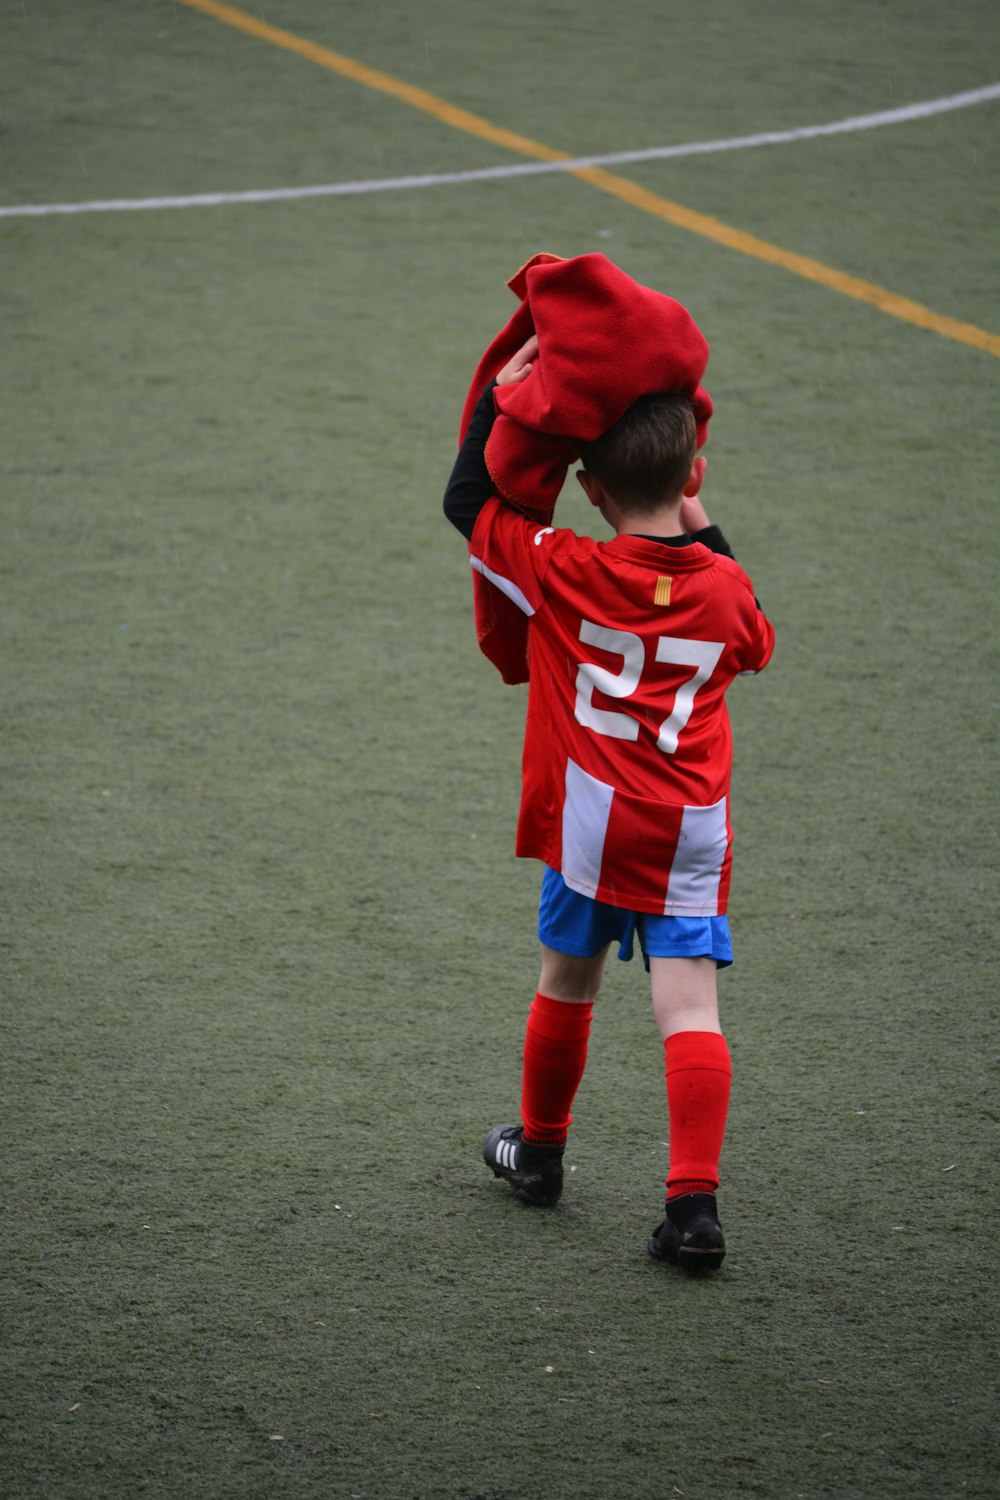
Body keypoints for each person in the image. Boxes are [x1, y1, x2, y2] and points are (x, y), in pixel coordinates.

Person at [443, 332, 774, 1271]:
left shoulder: (565, 568)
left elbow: (467, 502)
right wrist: (696, 520)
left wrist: (497, 407)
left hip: (591, 824)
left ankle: (540, 1151)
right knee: (690, 1011)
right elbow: (754, 636)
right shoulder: (724, 593)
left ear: (589, 491)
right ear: (696, 469)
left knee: (566, 982)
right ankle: (693, 1209)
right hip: (688, 834)